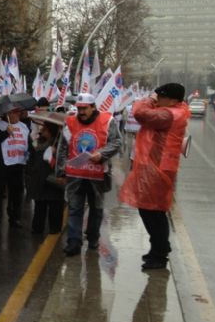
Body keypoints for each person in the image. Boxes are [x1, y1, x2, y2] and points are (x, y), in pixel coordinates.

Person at [119, 83, 190, 269]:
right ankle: (158, 248)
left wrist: (148, 99)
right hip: (154, 166)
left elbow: (140, 114)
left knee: (153, 211)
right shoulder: (174, 110)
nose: (157, 100)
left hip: (158, 168)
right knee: (149, 209)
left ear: (173, 100)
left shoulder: (169, 114)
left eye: (161, 97)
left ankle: (160, 253)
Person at [56, 92, 122, 256]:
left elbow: (117, 142)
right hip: (75, 175)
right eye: (79, 109)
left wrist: (102, 154)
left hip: (98, 176)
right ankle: (74, 242)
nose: (81, 112)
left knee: (96, 209)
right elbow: (63, 148)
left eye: (85, 108)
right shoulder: (70, 122)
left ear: (93, 107)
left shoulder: (108, 121)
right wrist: (61, 171)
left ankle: (93, 237)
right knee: (74, 208)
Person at [0, 105, 29, 229]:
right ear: (7, 114)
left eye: (18, 112)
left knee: (16, 193)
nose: (18, 115)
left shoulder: (23, 127)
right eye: (14, 113)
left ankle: (15, 217)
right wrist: (6, 133)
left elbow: (28, 143)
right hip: (2, 165)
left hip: (18, 165)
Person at [26, 120, 65, 235]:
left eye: (45, 129)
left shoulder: (61, 144)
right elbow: (31, 159)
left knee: (55, 206)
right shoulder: (37, 142)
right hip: (40, 180)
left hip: (54, 180)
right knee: (40, 206)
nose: (42, 131)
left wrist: (55, 152)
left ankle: (55, 228)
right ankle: (37, 228)